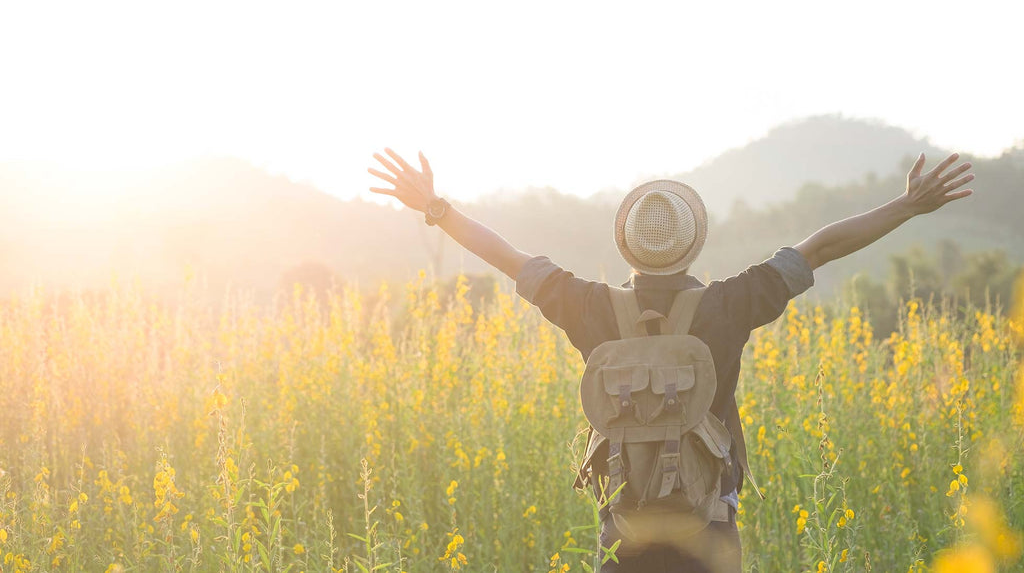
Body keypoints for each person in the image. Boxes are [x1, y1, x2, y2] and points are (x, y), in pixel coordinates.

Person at [368, 148, 975, 572]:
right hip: (709, 531)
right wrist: (906, 207)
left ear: (625, 244)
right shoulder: (730, 304)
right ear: (694, 243)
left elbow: (505, 255)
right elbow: (822, 246)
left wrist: (435, 207)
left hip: (623, 532)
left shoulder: (589, 308)